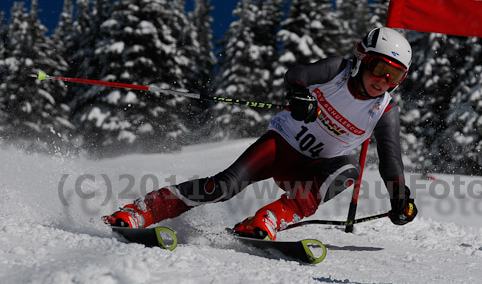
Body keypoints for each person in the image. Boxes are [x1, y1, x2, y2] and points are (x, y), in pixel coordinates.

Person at [102, 27, 418, 240]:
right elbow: (299, 74)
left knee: (350, 168)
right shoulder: (337, 71)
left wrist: (400, 198)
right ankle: (141, 211)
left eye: (394, 76)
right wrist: (300, 94)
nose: (383, 81)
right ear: (362, 59)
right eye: (379, 68)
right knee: (223, 186)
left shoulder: (384, 111)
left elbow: (391, 159)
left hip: (311, 171)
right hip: (281, 146)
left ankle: (265, 220)